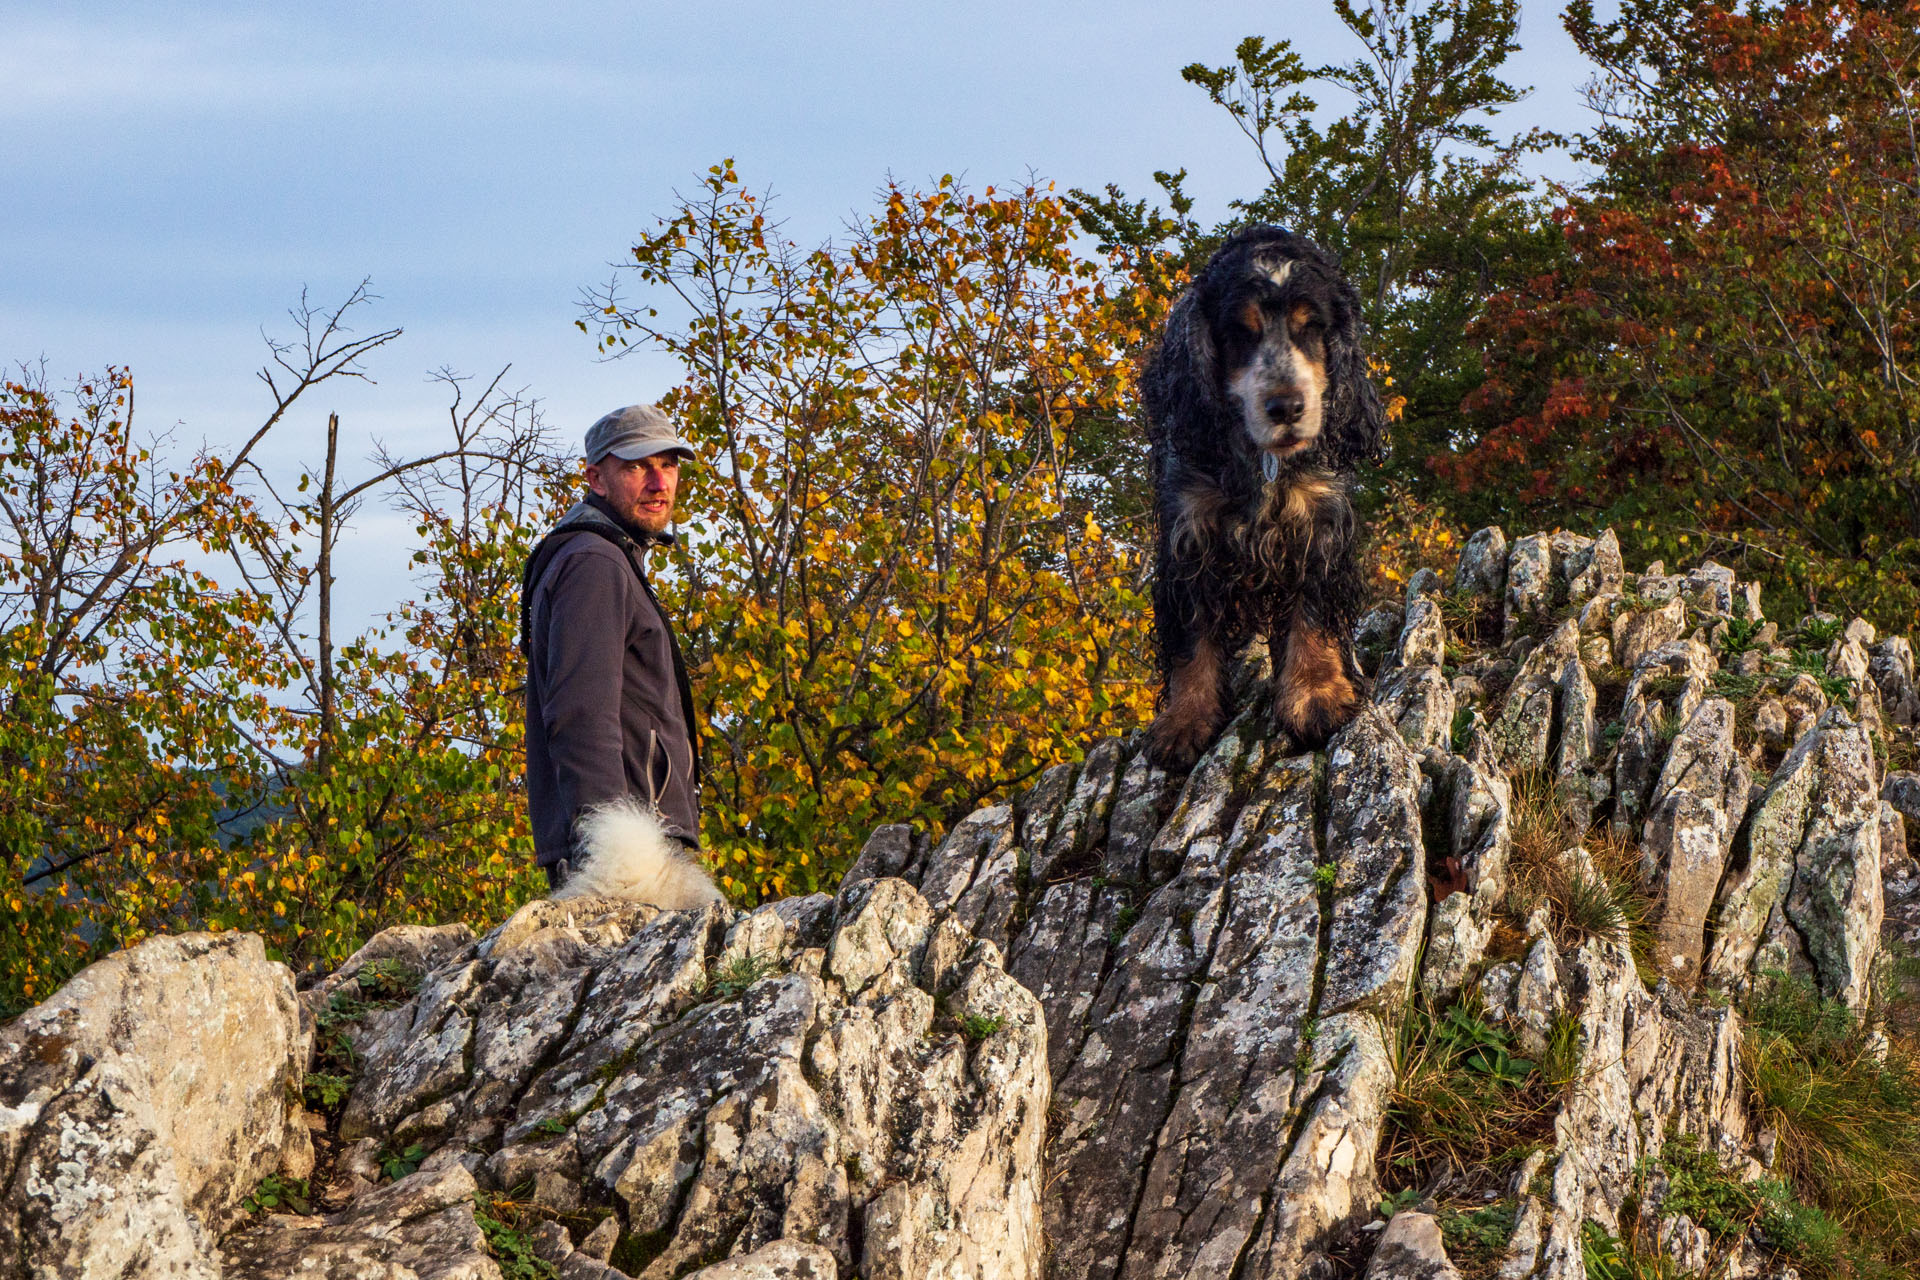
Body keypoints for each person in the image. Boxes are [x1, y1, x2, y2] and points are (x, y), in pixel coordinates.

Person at [521, 404, 704, 892]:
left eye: (667, 465)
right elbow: (580, 713)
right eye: (636, 466)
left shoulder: (606, 557)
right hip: (625, 856)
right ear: (596, 479)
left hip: (638, 837)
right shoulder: (593, 564)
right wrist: (614, 856)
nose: (659, 483)